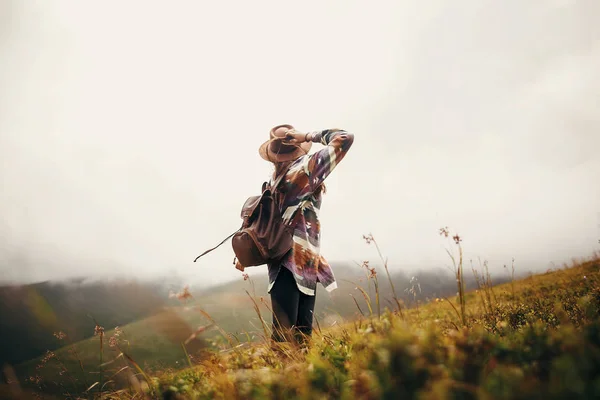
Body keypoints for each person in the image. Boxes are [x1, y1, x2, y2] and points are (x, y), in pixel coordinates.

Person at [252, 124, 354, 346]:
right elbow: (344, 138)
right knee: (296, 340)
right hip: (299, 261)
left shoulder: (275, 181)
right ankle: (289, 379)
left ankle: (289, 378)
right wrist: (308, 135)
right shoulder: (305, 169)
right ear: (297, 147)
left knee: (288, 339)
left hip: (289, 264)